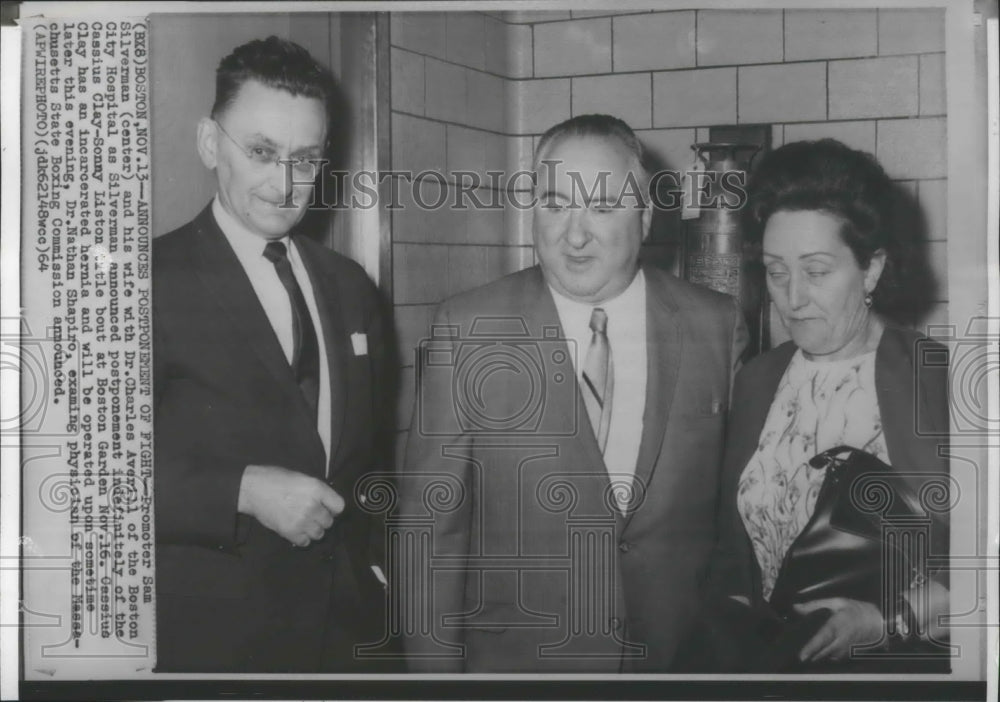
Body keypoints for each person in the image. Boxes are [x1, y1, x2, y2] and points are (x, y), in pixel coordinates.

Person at [397, 114, 748, 672]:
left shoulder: (715, 325)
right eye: (555, 204)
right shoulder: (468, 327)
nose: (575, 234)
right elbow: (431, 532)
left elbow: (735, 524)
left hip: (675, 666)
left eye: (603, 207)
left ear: (647, 217)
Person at [153, 36, 393, 672]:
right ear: (210, 144)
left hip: (346, 636)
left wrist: (378, 569)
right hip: (213, 642)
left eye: (307, 159)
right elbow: (79, 481)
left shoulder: (350, 285)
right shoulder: (140, 282)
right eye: (262, 152)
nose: (286, 184)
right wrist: (242, 490)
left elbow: (370, 455)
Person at [705, 139, 950, 672]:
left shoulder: (938, 380)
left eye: (816, 272)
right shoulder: (757, 381)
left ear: (871, 270)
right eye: (775, 271)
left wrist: (887, 623)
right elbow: (733, 553)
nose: (792, 298)